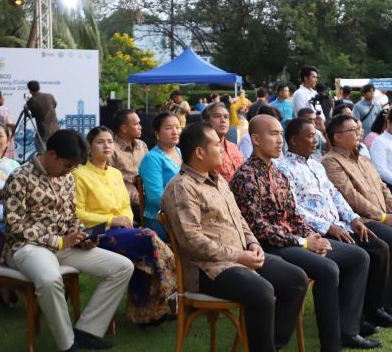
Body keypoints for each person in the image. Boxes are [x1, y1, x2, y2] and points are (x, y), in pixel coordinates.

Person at [231, 115, 379, 351]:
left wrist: (313, 236)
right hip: (269, 247)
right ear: (256, 139)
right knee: (328, 269)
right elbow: (258, 228)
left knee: (358, 256)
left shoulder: (277, 174)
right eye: (273, 134)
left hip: (294, 240)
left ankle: (347, 331)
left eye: (280, 134)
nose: (280, 140)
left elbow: (294, 215)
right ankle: (331, 346)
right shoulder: (246, 176)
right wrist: (303, 241)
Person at [162, 122, 309, 352]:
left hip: (241, 257)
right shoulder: (181, 187)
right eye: (217, 146)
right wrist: (240, 256)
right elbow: (192, 241)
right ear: (199, 152)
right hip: (207, 269)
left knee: (296, 279)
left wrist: (253, 244)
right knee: (261, 292)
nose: (222, 150)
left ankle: (272, 345)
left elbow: (240, 219)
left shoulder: (218, 180)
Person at [3, 129, 134, 352]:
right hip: (27, 247)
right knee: (49, 279)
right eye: (67, 165)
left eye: (73, 167)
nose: (70, 171)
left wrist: (83, 236)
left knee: (122, 267)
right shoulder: (20, 177)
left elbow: (72, 217)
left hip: (65, 244)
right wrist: (59, 241)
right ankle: (68, 344)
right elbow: (14, 226)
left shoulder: (66, 178)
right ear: (51, 154)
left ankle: (87, 331)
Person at [276, 118, 392, 333]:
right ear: (293, 140)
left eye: (315, 135)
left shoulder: (315, 165)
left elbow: (335, 195)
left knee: (379, 248)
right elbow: (294, 209)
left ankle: (370, 311)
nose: (315, 140)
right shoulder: (284, 169)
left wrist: (353, 218)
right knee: (361, 255)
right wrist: (328, 227)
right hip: (316, 232)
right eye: (309, 136)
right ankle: (349, 325)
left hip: (341, 225)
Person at [323, 114, 392, 312]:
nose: (359, 133)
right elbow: (350, 197)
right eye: (353, 130)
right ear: (337, 137)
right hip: (363, 221)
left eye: (358, 129)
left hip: (385, 215)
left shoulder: (364, 158)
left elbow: (383, 188)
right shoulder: (331, 162)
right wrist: (382, 217)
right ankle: (388, 303)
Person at [74, 126, 176, 325]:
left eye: (110, 142)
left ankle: (145, 313)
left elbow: (125, 206)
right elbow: (78, 213)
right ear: (90, 146)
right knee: (147, 237)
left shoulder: (114, 173)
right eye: (100, 142)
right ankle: (169, 291)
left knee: (141, 255)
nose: (106, 146)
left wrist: (125, 219)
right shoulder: (80, 175)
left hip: (122, 230)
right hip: (93, 232)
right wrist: (112, 221)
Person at [138, 112, 182, 241]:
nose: (175, 131)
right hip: (162, 220)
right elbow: (156, 198)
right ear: (157, 133)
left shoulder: (182, 152)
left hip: (186, 215)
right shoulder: (151, 159)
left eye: (177, 127)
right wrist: (185, 207)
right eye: (168, 128)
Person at [108, 108, 148, 221]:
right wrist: (129, 194)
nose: (141, 127)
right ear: (124, 128)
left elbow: (149, 173)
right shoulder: (111, 149)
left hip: (145, 196)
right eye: (136, 124)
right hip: (124, 202)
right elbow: (107, 181)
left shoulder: (142, 145)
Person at [202, 102, 245, 182]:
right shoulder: (202, 150)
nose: (223, 120)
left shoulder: (234, 147)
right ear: (205, 121)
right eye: (217, 116)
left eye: (226, 117)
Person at [26, 80, 59, 153]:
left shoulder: (32, 101)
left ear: (30, 90)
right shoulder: (49, 96)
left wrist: (27, 102)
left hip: (43, 131)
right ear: (39, 87)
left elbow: (31, 115)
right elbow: (55, 105)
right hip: (56, 129)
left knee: (41, 150)